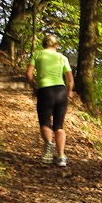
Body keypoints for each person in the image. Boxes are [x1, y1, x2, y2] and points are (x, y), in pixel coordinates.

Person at [26, 35, 74, 167]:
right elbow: (70, 80)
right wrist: (69, 91)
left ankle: (48, 146)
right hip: (60, 91)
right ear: (56, 45)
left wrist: (34, 88)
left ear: (43, 45)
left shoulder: (37, 55)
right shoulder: (62, 57)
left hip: (44, 90)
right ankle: (61, 156)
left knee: (45, 123)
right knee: (59, 126)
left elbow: (28, 74)